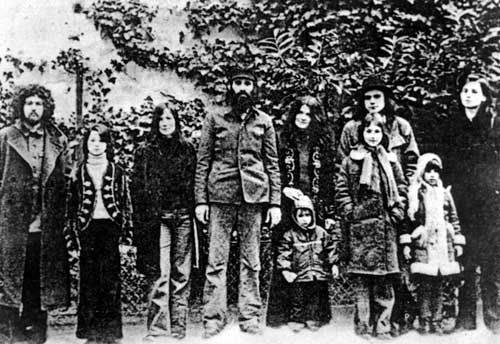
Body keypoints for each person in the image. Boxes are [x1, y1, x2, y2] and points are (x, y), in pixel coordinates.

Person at [194, 65, 282, 337]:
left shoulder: (264, 121)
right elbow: (203, 161)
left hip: (254, 199)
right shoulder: (214, 118)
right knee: (216, 261)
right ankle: (213, 318)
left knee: (251, 261)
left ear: (254, 88)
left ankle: (250, 316)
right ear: (229, 87)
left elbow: (272, 164)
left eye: (247, 83)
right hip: (220, 196)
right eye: (238, 83)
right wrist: (200, 201)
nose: (242, 88)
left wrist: (276, 203)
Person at [338, 75, 420, 335]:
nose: (373, 102)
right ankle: (364, 324)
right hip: (361, 215)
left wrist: (403, 203)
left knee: (393, 270)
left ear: (386, 100)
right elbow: (342, 171)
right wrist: (350, 211)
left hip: (393, 211)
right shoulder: (351, 129)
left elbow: (410, 165)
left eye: (377, 97)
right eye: (368, 98)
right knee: (364, 271)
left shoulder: (401, 126)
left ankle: (392, 322)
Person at [0, 85, 70, 344]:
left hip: (45, 223)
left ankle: (34, 333)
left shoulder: (57, 139)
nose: (33, 108)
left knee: (36, 277)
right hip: (12, 222)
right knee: (9, 277)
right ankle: (6, 334)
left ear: (45, 108)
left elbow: (64, 182)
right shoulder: (6, 136)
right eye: (28, 103)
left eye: (38, 103)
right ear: (21, 106)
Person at [335, 113, 407, 339]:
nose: (373, 136)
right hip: (360, 229)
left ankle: (383, 325)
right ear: (361, 133)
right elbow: (342, 190)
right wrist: (350, 212)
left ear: (383, 134)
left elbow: (402, 188)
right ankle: (363, 327)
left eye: (377, 131)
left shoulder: (391, 161)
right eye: (368, 131)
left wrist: (397, 211)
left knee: (384, 281)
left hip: (386, 229)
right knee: (363, 281)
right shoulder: (350, 160)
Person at [266, 95, 336, 327]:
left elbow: (328, 179)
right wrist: (284, 190)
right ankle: (284, 316)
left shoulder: (323, 142)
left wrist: (329, 213)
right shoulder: (281, 138)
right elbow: (272, 170)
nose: (303, 118)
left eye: (309, 114)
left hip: (314, 207)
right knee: (287, 257)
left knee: (315, 260)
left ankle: (314, 315)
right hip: (288, 207)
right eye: (300, 113)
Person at [132, 103, 197, 341]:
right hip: (157, 219)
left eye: (170, 119)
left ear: (176, 122)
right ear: (155, 123)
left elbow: (194, 182)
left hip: (183, 217)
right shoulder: (145, 151)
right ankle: (158, 330)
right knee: (160, 273)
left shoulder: (187, 149)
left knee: (182, 273)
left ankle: (179, 329)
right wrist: (143, 220)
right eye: (161, 119)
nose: (165, 123)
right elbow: (137, 189)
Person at [442, 72, 500, 333]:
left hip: (489, 201)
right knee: (463, 257)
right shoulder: (451, 124)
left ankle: (493, 316)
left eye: (474, 91)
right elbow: (444, 160)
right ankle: (465, 317)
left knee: (490, 260)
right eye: (465, 90)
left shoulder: (493, 123)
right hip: (461, 201)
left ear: (485, 97)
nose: (468, 95)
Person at [69, 124, 132, 344]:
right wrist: (72, 239)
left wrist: (126, 237)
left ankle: (111, 333)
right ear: (86, 143)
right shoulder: (78, 171)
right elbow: (71, 207)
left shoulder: (117, 171)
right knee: (88, 281)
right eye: (92, 140)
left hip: (110, 229)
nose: (96, 145)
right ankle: (91, 333)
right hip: (88, 229)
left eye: (101, 140)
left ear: (107, 144)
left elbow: (126, 205)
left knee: (110, 281)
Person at [403, 153, 465, 334]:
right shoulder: (415, 194)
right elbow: (409, 221)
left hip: (443, 246)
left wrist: (457, 241)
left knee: (438, 284)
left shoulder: (445, 194)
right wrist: (408, 241)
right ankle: (424, 319)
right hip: (424, 245)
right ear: (422, 172)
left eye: (435, 171)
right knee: (425, 284)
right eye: (428, 171)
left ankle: (437, 320)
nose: (432, 175)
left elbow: (454, 218)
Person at [276, 188, 339, 333]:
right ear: (295, 216)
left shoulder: (320, 232)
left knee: (314, 301)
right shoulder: (290, 235)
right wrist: (286, 270)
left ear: (313, 215)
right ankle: (296, 322)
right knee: (297, 301)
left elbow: (330, 248)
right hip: (299, 276)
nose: (304, 219)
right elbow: (283, 253)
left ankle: (313, 322)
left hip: (317, 275)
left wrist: (334, 265)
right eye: (300, 215)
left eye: (307, 215)